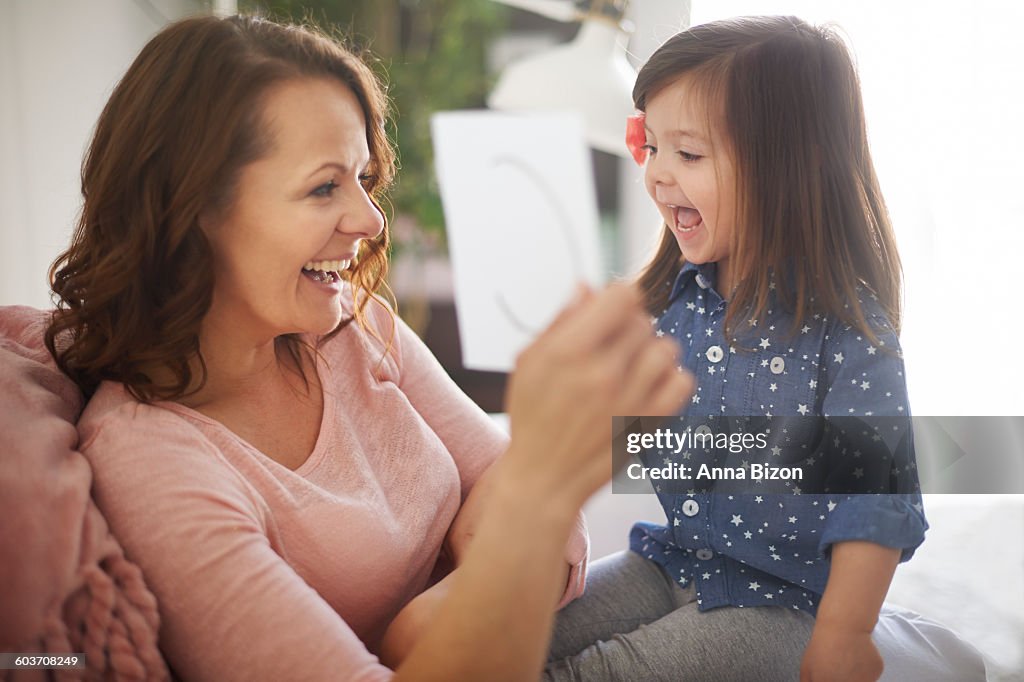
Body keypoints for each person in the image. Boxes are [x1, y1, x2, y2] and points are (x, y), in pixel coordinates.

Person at [43, 14, 692, 681]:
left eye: (361, 179)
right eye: (325, 186)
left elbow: (506, 482)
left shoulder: (352, 327)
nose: (370, 219)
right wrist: (535, 505)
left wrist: (431, 620)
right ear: (193, 208)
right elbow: (522, 502)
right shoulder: (153, 464)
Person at [537, 15, 985, 682]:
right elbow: (593, 429)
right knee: (517, 637)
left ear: (786, 169)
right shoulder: (672, 301)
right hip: (670, 561)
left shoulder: (846, 329)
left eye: (687, 155)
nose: (658, 175)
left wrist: (845, 631)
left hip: (781, 609)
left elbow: (876, 497)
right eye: (651, 147)